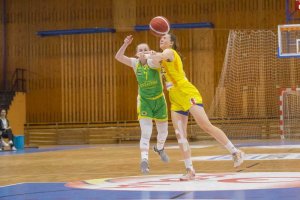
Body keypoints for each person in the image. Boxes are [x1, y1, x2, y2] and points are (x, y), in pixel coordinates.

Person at [149, 33, 245, 181]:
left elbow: (160, 56)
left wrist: (152, 54)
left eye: (165, 38)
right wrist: (145, 56)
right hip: (175, 98)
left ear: (172, 43)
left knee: (205, 125)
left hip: (187, 93)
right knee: (180, 135)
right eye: (160, 38)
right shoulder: (161, 58)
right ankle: (190, 170)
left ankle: (235, 151)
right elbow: (152, 62)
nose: (161, 39)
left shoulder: (170, 52)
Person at [115, 35, 169, 174]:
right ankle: (144, 160)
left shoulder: (153, 62)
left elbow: (161, 59)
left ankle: (159, 148)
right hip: (144, 101)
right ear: (137, 53)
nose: (143, 51)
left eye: (146, 49)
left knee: (163, 132)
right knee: (146, 132)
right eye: (141, 49)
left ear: (149, 51)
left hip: (159, 100)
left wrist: (155, 54)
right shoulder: (134, 63)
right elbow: (118, 57)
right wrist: (125, 44)